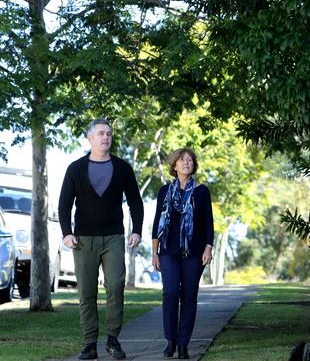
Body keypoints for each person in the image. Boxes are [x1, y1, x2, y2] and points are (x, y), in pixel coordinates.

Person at [58, 118, 144, 360]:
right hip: (83, 239)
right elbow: (64, 204)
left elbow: (135, 202)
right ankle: (89, 343)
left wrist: (136, 230)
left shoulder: (123, 168)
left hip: (114, 237)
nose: (106, 137)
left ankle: (113, 340)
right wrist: (67, 232)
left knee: (116, 286)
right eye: (101, 134)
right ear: (90, 138)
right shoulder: (75, 169)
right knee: (86, 292)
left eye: (109, 133)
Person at [152, 148, 214, 359]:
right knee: (170, 293)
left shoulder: (202, 191)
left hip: (194, 253)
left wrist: (208, 247)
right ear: (174, 166)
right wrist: (154, 252)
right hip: (168, 250)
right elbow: (157, 224)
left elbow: (208, 223)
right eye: (182, 160)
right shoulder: (164, 192)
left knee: (189, 297)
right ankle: (170, 340)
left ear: (193, 165)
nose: (186, 162)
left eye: (189, 160)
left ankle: (183, 343)